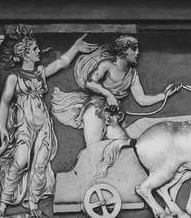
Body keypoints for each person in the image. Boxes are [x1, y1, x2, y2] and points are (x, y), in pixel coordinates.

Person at [0, 31, 98, 218]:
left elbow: (61, 63)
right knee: (20, 161)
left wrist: (75, 48)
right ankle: (3, 203)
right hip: (23, 125)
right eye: (35, 49)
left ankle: (33, 202)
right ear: (25, 54)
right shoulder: (14, 78)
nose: (39, 51)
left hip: (43, 124)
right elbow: (4, 102)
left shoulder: (40, 73)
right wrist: (2, 127)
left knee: (41, 163)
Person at [51, 34, 181, 148]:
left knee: (124, 147)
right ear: (123, 50)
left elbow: (142, 100)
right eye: (134, 49)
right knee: (93, 150)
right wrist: (109, 95)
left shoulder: (132, 74)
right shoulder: (106, 65)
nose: (138, 53)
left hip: (113, 116)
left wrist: (164, 95)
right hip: (95, 110)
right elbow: (90, 83)